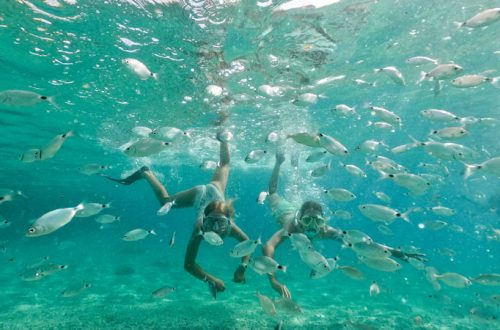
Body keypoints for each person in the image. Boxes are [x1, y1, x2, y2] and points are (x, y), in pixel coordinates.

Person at [263, 151, 426, 298]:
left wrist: (398, 253)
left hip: (299, 211)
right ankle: (280, 162)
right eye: (307, 221)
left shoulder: (325, 230)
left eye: (317, 221)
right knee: (272, 194)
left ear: (323, 221)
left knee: (296, 190)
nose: (312, 226)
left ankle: (294, 165)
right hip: (283, 210)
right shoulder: (291, 228)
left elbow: (362, 243)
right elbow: (269, 246)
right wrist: (272, 279)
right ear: (300, 220)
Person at [104, 131, 249, 294]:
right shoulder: (200, 228)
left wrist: (242, 268)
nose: (214, 228)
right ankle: (146, 173)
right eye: (210, 222)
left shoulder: (230, 227)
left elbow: (248, 244)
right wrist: (211, 279)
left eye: (220, 223)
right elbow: (188, 264)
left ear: (229, 221)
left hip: (215, 190)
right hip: (199, 194)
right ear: (204, 219)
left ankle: (223, 137)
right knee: (165, 203)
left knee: (224, 165)